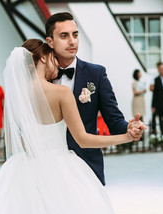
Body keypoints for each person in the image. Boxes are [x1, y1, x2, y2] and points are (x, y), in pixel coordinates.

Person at [0, 39, 147, 214]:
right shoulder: (60, 92)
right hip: (60, 166)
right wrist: (125, 137)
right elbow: (83, 139)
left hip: (23, 167)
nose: (56, 64)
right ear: (42, 58)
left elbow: (22, 139)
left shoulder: (17, 96)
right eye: (52, 58)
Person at [45, 12, 143, 185]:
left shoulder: (96, 74)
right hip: (48, 166)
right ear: (50, 41)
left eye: (75, 35)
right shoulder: (40, 77)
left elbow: (113, 120)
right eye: (64, 36)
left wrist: (129, 127)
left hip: (86, 164)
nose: (72, 41)